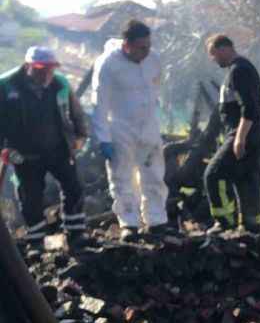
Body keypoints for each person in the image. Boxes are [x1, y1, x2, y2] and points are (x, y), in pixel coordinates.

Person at [0, 46, 88, 246]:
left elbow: (76, 114)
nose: (46, 74)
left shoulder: (60, 84)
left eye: (50, 69)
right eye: (40, 69)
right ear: (28, 66)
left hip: (58, 149)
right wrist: (4, 150)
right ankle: (36, 241)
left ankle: (76, 235)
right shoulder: (6, 86)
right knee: (29, 197)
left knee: (73, 188)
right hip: (24, 154)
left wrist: (80, 136)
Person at [92, 20, 170, 241]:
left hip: (149, 126)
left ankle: (156, 220)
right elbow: (99, 103)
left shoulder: (153, 60)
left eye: (148, 46)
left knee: (154, 174)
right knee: (122, 177)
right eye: (141, 47)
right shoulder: (108, 64)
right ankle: (129, 223)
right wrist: (103, 138)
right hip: (120, 128)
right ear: (127, 45)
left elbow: (157, 88)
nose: (146, 51)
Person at [204, 34, 260, 234]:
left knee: (214, 174)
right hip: (249, 133)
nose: (213, 60)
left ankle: (224, 221)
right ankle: (251, 224)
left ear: (225, 48)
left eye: (214, 54)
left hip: (243, 133)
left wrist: (239, 138)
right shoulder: (241, 69)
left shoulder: (239, 71)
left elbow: (249, 108)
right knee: (245, 177)